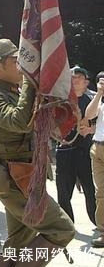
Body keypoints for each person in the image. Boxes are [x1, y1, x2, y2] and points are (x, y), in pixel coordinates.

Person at [0, 39, 75, 265]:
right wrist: (29, 84)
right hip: (14, 176)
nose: (22, 66)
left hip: (25, 174)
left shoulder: (11, 92)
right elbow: (20, 121)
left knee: (19, 240)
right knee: (61, 230)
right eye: (16, 61)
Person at [55, 66, 96, 226]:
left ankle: (98, 223)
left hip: (85, 152)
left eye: (79, 77)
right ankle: (67, 226)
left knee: (91, 191)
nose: (75, 79)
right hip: (65, 151)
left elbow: (100, 124)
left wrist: (91, 129)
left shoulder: (93, 101)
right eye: (72, 76)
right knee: (63, 192)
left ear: (86, 82)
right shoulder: (61, 101)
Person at [85, 71, 104, 247]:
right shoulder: (99, 100)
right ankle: (103, 232)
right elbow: (89, 115)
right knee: (101, 194)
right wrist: (99, 93)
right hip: (97, 148)